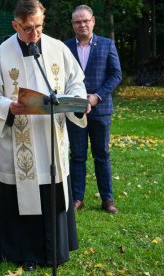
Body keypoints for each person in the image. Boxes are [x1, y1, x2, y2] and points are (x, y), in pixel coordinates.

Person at [0, 0, 89, 271]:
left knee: (52, 189)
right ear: (15, 25)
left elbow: (76, 82)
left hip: (51, 138)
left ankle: (55, 249)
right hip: (20, 140)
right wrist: (7, 106)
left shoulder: (58, 49)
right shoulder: (0, 54)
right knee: (25, 194)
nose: (35, 34)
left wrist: (75, 99)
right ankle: (25, 252)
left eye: (39, 26)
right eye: (28, 28)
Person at [64, 5, 122, 214]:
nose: (82, 25)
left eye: (85, 20)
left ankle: (107, 199)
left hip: (101, 109)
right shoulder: (65, 47)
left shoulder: (107, 45)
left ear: (93, 21)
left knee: (102, 155)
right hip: (75, 110)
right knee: (77, 155)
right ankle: (77, 198)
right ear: (73, 25)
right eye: (78, 22)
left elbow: (116, 75)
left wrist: (97, 97)